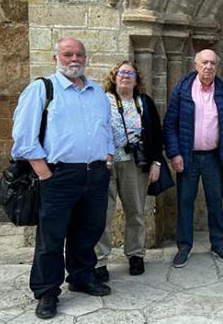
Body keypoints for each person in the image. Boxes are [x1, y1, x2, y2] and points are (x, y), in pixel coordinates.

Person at [11, 37, 114, 320]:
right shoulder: (42, 89)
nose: (74, 59)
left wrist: (108, 157)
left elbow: (105, 129)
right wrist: (44, 173)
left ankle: (81, 277)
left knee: (88, 230)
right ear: (56, 57)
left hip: (95, 174)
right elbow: (23, 137)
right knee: (52, 237)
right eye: (68, 54)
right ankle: (46, 291)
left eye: (79, 54)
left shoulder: (96, 93)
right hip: (58, 175)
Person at [163, 49, 223, 268]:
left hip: (214, 157)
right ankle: (184, 247)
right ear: (196, 65)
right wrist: (174, 153)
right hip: (187, 157)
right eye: (204, 62)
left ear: (217, 67)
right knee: (185, 201)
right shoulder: (183, 89)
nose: (208, 67)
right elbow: (170, 125)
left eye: (213, 63)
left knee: (215, 201)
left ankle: (218, 244)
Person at [94, 61, 166, 281]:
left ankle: (135, 254)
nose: (125, 76)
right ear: (114, 77)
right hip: (105, 164)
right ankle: (100, 260)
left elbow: (156, 134)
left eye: (130, 73)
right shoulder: (100, 101)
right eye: (121, 73)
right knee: (103, 213)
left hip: (135, 165)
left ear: (137, 79)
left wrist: (156, 162)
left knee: (135, 212)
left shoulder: (144, 102)